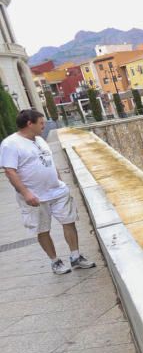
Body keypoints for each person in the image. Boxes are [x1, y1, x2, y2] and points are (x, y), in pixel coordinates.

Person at [1, 109, 96, 274]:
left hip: (56, 191)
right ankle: (55, 262)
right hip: (34, 197)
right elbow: (10, 171)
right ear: (29, 124)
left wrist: (59, 181)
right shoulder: (11, 144)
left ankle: (75, 257)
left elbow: (49, 161)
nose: (44, 126)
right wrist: (26, 193)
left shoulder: (40, 140)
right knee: (42, 229)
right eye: (41, 123)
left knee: (69, 221)